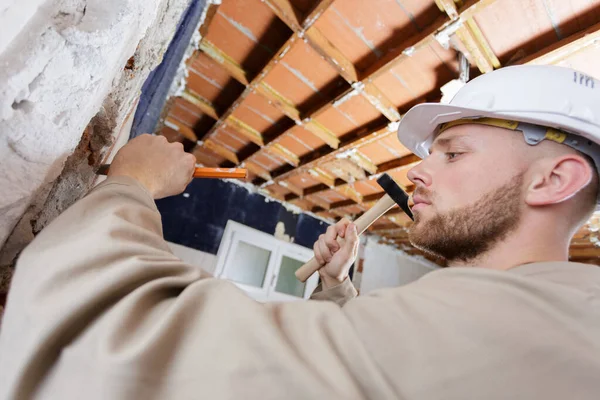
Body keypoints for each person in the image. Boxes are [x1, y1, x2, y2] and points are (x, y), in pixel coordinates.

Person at [1, 65, 599, 399]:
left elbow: (108, 349)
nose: (416, 173)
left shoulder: (511, 330)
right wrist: (338, 289)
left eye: (452, 153)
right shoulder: (554, 321)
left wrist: (131, 186)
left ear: (553, 179)